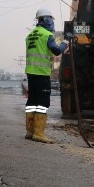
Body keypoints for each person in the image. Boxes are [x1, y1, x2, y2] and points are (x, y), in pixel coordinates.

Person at [24, 8, 68, 143]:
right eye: (51, 19)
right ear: (46, 19)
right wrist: (65, 43)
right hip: (41, 74)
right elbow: (55, 51)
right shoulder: (46, 35)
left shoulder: (31, 35)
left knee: (32, 102)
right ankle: (39, 133)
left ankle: (30, 132)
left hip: (31, 73)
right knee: (42, 104)